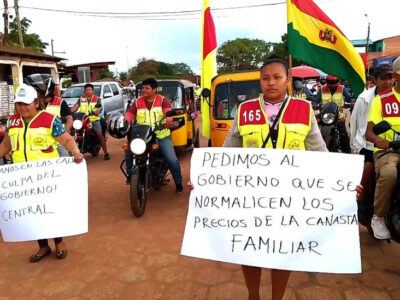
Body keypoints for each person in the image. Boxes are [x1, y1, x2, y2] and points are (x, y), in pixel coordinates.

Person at [223, 57, 328, 300]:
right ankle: (253, 295)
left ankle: (277, 298)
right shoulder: (245, 110)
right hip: (251, 197)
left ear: (288, 80)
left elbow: (320, 152)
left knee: (282, 251)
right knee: (249, 249)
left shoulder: (304, 109)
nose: (271, 83)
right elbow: (227, 155)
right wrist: (206, 181)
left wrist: (342, 184)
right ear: (260, 81)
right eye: (265, 78)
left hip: (289, 198)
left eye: (277, 77)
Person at [0, 84, 84, 262]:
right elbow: (6, 145)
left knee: (49, 211)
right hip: (22, 179)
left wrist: (75, 151)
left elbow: (66, 139)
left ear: (36, 103)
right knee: (33, 213)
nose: (22, 107)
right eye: (18, 104)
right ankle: (43, 246)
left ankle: (59, 242)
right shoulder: (13, 122)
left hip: (46, 178)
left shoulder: (49, 120)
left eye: (26, 103)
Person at [124, 78, 183, 193]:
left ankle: (178, 183)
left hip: (161, 135)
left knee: (171, 159)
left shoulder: (162, 100)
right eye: (143, 88)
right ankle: (130, 175)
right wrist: (124, 122)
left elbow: (168, 111)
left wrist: (168, 119)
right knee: (128, 149)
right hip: (143, 135)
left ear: (154, 90)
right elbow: (129, 114)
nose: (144, 90)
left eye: (147, 88)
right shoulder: (137, 102)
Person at [350, 63, 394, 208]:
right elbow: (355, 124)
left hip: (394, 145)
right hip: (368, 144)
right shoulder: (364, 99)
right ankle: (361, 204)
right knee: (367, 170)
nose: (387, 82)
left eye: (390, 77)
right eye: (383, 78)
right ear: (375, 79)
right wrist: (355, 148)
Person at [365, 56, 400, 240]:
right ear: (396, 76)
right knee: (389, 173)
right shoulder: (381, 100)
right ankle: (378, 217)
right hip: (389, 152)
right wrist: (379, 140)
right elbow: (369, 133)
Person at [24, 74, 73, 157]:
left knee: (64, 164)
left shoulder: (60, 102)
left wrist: (66, 129)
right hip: (36, 143)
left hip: (58, 142)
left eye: (36, 89)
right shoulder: (32, 103)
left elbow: (69, 117)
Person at [315, 75, 353, 153]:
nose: (332, 84)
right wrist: (315, 104)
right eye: (330, 82)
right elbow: (316, 100)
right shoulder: (322, 89)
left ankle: (347, 153)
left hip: (339, 115)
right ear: (327, 81)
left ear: (337, 82)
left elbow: (349, 98)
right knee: (314, 128)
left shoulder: (342, 88)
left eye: (333, 82)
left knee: (344, 134)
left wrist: (351, 102)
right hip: (325, 115)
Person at [72, 83, 110, 160]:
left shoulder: (97, 99)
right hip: (83, 119)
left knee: (99, 134)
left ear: (92, 91)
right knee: (73, 131)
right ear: (84, 91)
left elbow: (98, 109)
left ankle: (106, 153)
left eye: (90, 89)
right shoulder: (81, 99)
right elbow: (75, 107)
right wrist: (70, 112)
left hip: (93, 119)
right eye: (87, 90)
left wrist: (96, 112)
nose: (88, 91)